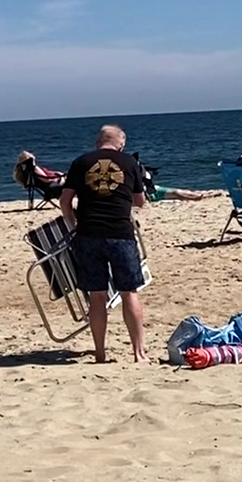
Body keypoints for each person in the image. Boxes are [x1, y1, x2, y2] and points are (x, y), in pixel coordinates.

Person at [58, 125, 149, 363]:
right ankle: (139, 353)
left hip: (88, 234)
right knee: (129, 293)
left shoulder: (80, 162)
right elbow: (140, 202)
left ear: (98, 142)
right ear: (121, 144)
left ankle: (100, 353)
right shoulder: (129, 162)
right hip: (120, 232)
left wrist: (72, 224)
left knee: (97, 296)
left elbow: (65, 200)